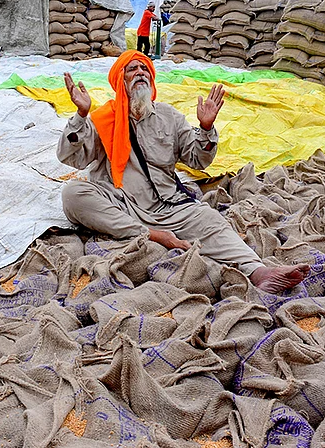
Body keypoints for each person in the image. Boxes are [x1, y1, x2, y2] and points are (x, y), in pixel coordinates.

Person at [56, 50, 310, 294]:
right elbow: (70, 157)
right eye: (132, 69)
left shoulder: (170, 117)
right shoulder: (103, 119)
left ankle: (259, 273)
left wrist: (206, 128)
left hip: (170, 206)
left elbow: (198, 161)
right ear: (119, 80)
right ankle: (151, 235)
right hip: (122, 203)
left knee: (211, 220)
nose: (140, 72)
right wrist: (80, 114)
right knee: (73, 193)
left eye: (145, 68)